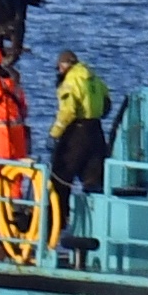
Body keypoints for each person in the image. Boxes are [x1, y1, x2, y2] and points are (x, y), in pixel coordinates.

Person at [50, 49, 110, 192]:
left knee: (60, 176)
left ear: (64, 65)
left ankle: (58, 213)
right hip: (97, 132)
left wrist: (54, 134)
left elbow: (68, 111)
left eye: (59, 68)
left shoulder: (71, 81)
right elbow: (107, 105)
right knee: (94, 180)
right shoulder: (95, 79)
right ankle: (96, 213)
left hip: (77, 132)